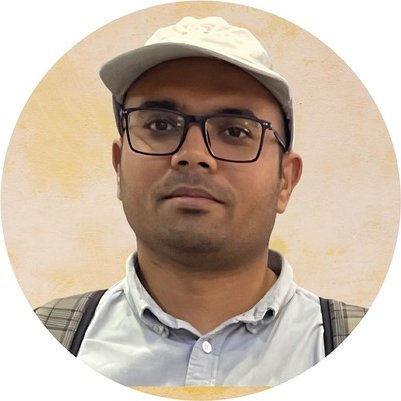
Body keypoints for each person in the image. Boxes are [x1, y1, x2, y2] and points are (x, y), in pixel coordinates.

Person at [34, 16, 366, 387]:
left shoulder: (373, 355)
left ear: (285, 180)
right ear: (118, 167)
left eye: (235, 131)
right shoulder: (36, 346)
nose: (193, 155)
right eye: (160, 125)